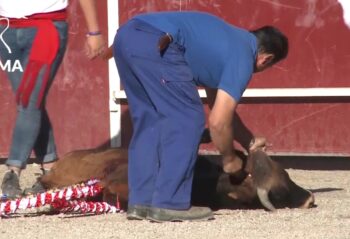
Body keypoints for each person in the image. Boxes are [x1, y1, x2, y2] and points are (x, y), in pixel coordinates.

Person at [112, 11, 288, 222]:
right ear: (266, 59)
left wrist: (249, 142)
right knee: (187, 118)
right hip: (159, 41)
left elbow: (220, 110)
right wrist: (229, 159)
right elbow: (218, 122)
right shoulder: (243, 55)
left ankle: (142, 202)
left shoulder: (227, 40)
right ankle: (170, 203)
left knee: (150, 120)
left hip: (126, 37)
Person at [0, 0, 105, 199]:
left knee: (28, 101)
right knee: (30, 101)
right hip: (6, 31)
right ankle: (50, 171)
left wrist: (94, 32)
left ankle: (13, 171)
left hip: (45, 29)